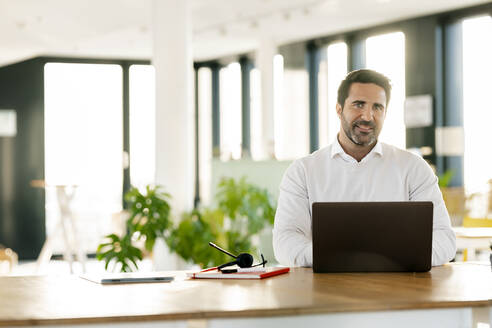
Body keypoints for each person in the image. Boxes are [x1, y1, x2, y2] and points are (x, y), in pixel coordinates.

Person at [272, 69, 456, 267]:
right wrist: (341, 257)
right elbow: (285, 242)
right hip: (326, 291)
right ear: (339, 109)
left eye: (377, 107)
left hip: (398, 290)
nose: (368, 116)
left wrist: (385, 257)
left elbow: (445, 240)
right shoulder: (303, 171)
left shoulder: (413, 168)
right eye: (358, 104)